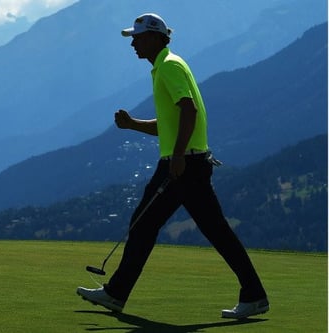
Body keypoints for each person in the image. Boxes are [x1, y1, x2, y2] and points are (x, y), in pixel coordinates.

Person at [76, 13, 268, 319]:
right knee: (211, 232)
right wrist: (132, 124)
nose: (133, 43)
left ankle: (116, 293)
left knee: (144, 224)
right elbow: (171, 123)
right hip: (188, 162)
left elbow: (189, 111)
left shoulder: (169, 66)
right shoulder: (165, 66)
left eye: (137, 37)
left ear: (154, 38)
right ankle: (254, 294)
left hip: (183, 164)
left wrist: (177, 156)